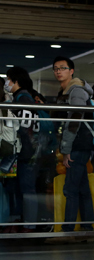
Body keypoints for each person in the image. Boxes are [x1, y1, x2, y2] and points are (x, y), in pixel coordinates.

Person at [52, 56, 94, 237]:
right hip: (79, 144)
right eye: (55, 68)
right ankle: (88, 228)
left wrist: (66, 149)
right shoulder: (66, 91)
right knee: (82, 187)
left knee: (70, 188)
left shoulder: (76, 91)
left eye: (62, 68)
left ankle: (67, 231)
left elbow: (74, 119)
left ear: (71, 71)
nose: (58, 71)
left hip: (77, 144)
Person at [5, 67, 43, 233]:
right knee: (19, 188)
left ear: (15, 81)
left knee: (26, 189)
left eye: (8, 79)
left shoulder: (23, 98)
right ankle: (21, 221)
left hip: (25, 152)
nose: (7, 83)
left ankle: (29, 224)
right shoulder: (23, 97)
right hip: (27, 151)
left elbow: (23, 127)